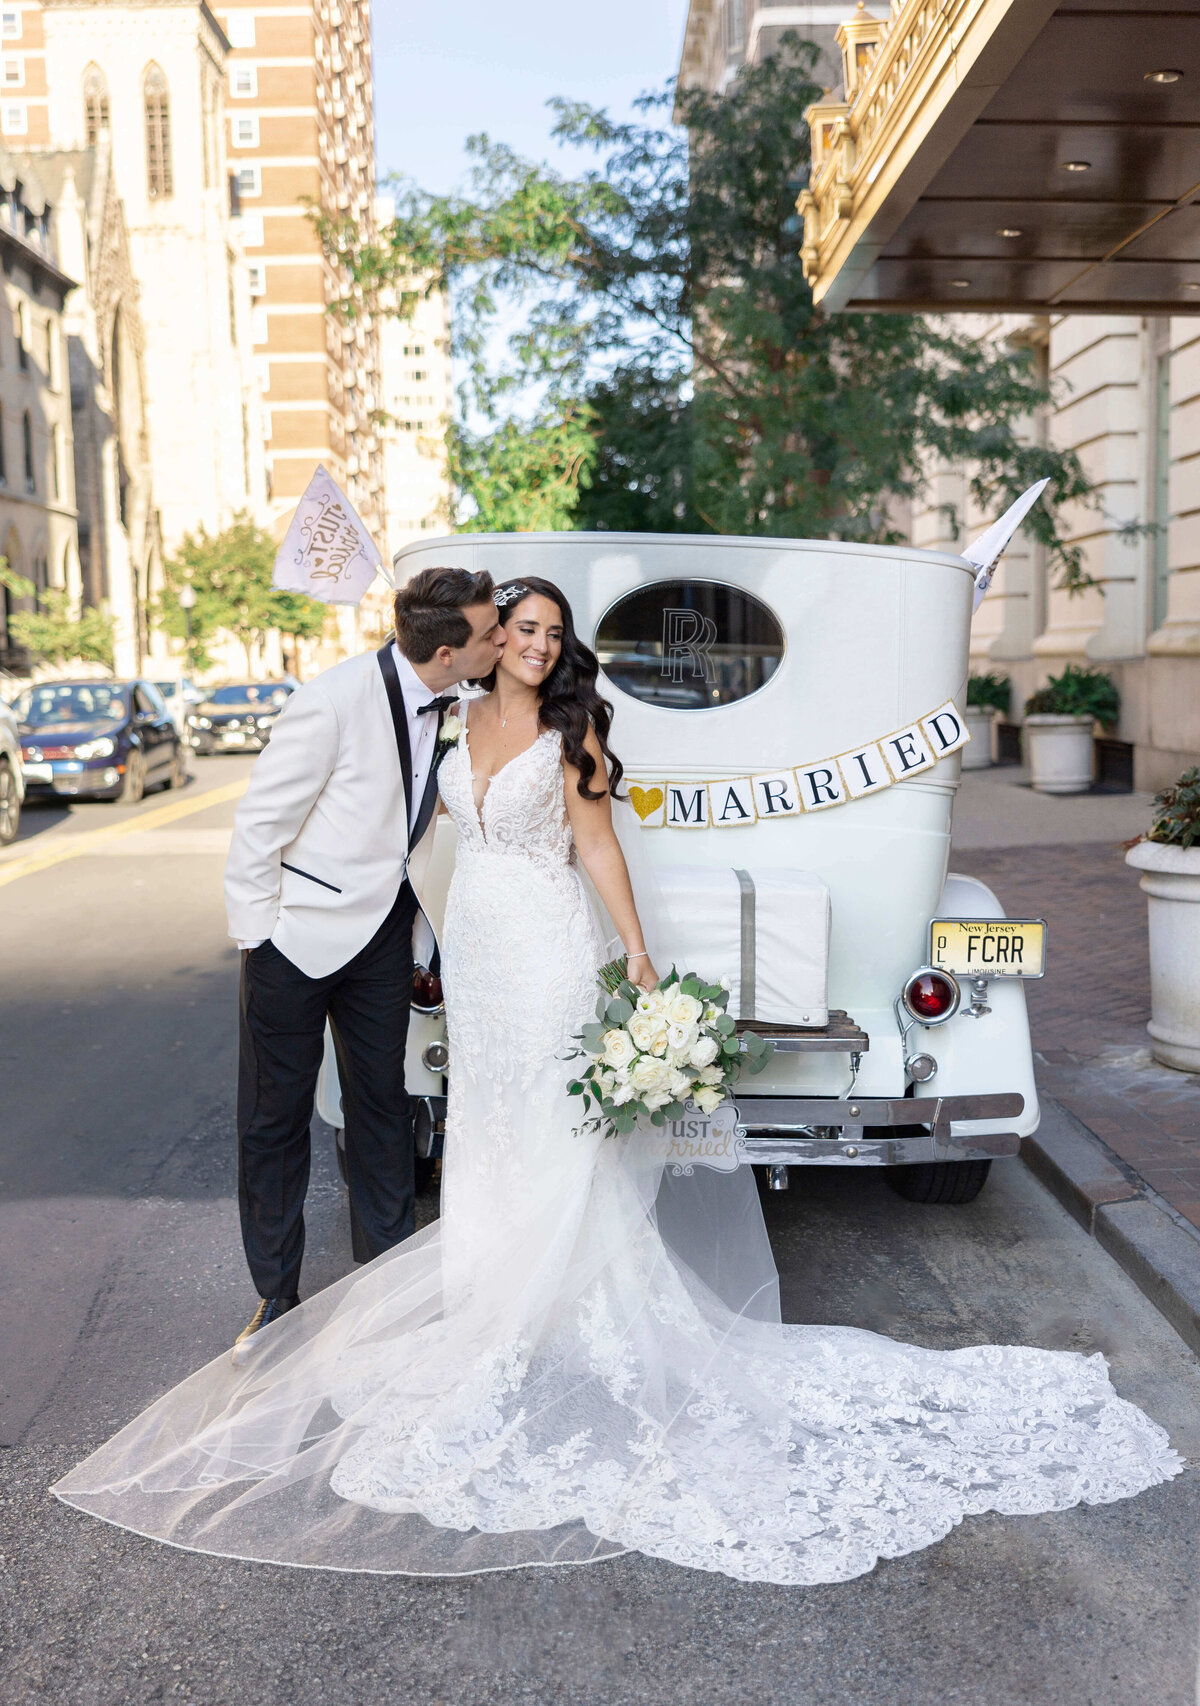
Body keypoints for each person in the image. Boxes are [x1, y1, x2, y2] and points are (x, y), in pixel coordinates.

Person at [54, 578, 1181, 1586]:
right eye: (522, 629)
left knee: (553, 1119)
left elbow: (597, 847)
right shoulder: (448, 715)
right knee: (488, 1122)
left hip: (548, 944)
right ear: (488, 641)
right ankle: (489, 1293)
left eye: (551, 632)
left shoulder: (569, 724)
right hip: (480, 945)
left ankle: (552, 1307)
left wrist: (634, 949)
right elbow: (409, 825)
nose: (537, 646)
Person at [221, 564, 505, 1359]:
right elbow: (259, 826)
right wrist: (260, 939)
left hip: (387, 935)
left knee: (382, 1107)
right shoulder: (330, 701)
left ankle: (384, 1279)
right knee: (274, 1122)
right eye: (489, 634)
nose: (499, 642)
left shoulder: (463, 701)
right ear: (448, 652)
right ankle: (275, 1292)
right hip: (296, 942)